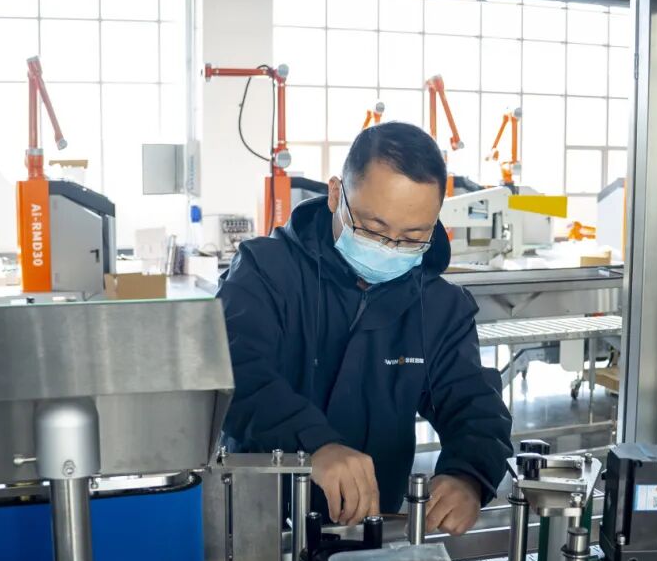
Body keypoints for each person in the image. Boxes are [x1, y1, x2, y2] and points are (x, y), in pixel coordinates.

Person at [217, 122, 512, 535]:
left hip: (371, 528)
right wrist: (314, 444)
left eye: (412, 237)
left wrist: (469, 475)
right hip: (258, 523)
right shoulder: (265, 271)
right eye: (373, 229)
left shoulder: (438, 305)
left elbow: (473, 403)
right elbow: (234, 374)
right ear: (335, 194)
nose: (390, 248)